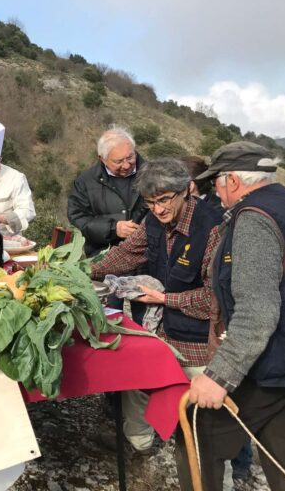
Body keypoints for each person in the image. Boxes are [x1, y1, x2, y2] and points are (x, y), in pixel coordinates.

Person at [184, 141, 285, 491]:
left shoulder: (254, 219)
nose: (214, 191)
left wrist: (219, 376)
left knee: (200, 429)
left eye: (216, 182)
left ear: (232, 180)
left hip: (270, 361)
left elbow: (258, 310)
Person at [91, 158, 223, 455]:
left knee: (201, 416)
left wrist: (167, 299)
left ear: (187, 190)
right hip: (161, 328)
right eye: (151, 203)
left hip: (197, 339)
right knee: (136, 378)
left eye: (164, 200)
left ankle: (207, 464)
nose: (158, 209)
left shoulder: (212, 228)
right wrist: (83, 270)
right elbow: (126, 254)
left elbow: (216, 299)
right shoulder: (153, 220)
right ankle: (139, 443)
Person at [180, 153, 254, 487]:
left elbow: (226, 293)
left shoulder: (224, 220)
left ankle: (239, 464)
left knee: (231, 406)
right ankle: (240, 465)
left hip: (225, 329)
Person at [68, 126, 148, 257]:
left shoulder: (152, 174)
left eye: (130, 157)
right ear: (102, 159)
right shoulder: (85, 182)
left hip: (145, 257)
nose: (126, 165)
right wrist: (113, 229)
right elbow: (78, 219)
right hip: (103, 258)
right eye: (119, 161)